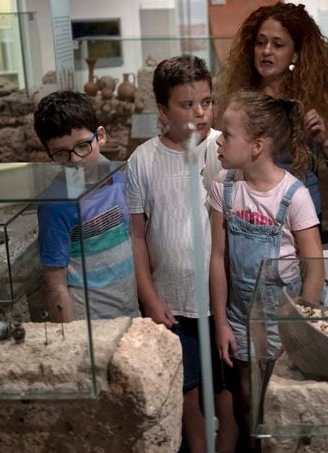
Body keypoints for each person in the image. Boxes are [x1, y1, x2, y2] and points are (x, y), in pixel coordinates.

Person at [125, 56, 236, 453]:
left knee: (225, 394)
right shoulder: (142, 161)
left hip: (219, 302)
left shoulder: (225, 148)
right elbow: (136, 236)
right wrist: (150, 299)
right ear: (162, 110)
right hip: (170, 302)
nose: (201, 113)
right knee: (186, 394)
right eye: (187, 105)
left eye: (206, 101)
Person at [208, 91, 325, 444]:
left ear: (256, 145)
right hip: (240, 316)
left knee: (280, 398)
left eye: (227, 134)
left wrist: (299, 329)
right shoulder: (223, 188)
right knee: (246, 397)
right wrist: (222, 322)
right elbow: (217, 257)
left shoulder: (294, 195)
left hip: (282, 319)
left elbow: (314, 267)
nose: (218, 140)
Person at [217, 2, 328, 216]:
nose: (266, 51)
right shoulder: (241, 97)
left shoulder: (314, 98)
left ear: (296, 54)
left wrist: (324, 142)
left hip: (299, 212)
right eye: (261, 43)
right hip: (253, 212)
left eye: (277, 45)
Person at [34, 90, 139, 322]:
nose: (75, 161)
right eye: (61, 154)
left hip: (131, 313)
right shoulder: (55, 205)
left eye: (82, 146)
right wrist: (74, 340)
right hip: (89, 325)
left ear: (100, 136)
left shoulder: (120, 178)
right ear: (48, 153)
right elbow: (56, 285)